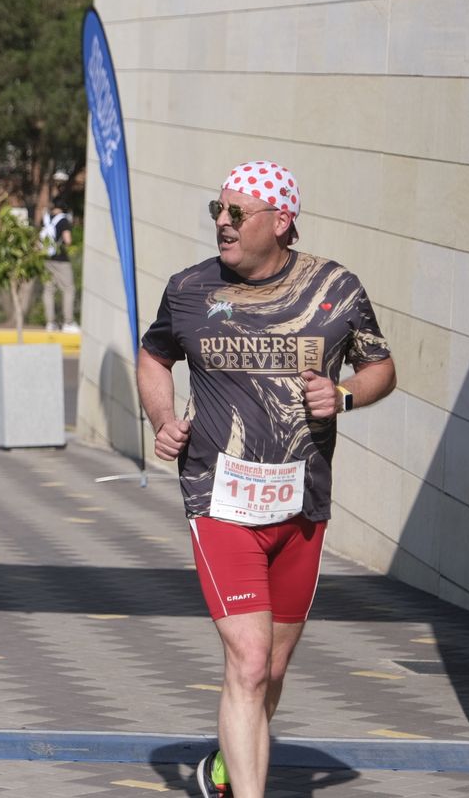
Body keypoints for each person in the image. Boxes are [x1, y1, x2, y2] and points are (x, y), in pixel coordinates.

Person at [136, 161, 396, 798]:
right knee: (248, 660)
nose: (221, 223)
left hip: (302, 504)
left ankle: (226, 767)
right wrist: (164, 417)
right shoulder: (190, 290)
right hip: (218, 497)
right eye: (216, 211)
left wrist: (346, 396)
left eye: (236, 213)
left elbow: (381, 369)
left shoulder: (336, 289)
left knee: (271, 668)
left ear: (281, 223)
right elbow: (153, 354)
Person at [40, 199, 78, 333]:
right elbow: (67, 240)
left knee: (49, 289)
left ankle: (50, 323)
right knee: (68, 289)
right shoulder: (63, 220)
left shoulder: (45, 219)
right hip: (60, 259)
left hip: (46, 258)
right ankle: (68, 321)